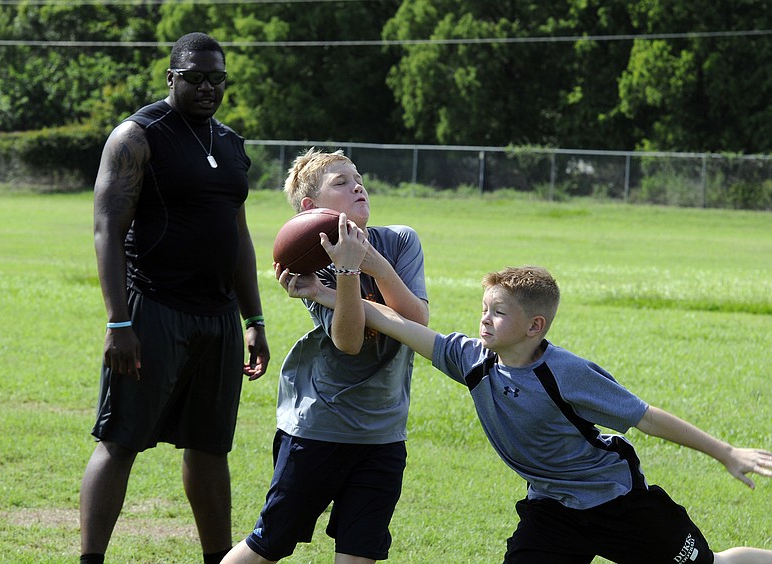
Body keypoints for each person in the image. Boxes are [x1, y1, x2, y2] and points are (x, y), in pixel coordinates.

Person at [280, 257, 772, 563]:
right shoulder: (472, 360)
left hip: (617, 504)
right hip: (552, 511)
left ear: (535, 325)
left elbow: (647, 417)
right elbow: (393, 321)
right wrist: (326, 291)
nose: (483, 319)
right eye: (484, 307)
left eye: (498, 312)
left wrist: (726, 451)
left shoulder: (567, 372)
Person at [80, 32, 270, 564]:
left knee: (211, 446)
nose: (209, 87)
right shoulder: (137, 137)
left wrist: (252, 317)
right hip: (153, 307)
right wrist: (119, 322)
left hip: (216, 317)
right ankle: (90, 558)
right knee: (121, 439)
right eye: (196, 77)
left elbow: (239, 235)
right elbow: (106, 230)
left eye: (218, 78)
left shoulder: (230, 144)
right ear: (172, 77)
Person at [222, 148, 430, 564]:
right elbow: (349, 341)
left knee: (359, 554)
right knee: (268, 545)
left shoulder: (399, 240)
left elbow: (416, 324)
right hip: (320, 427)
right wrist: (344, 277)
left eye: (358, 178)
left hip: (384, 430)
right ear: (310, 208)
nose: (358, 186)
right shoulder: (307, 260)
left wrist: (372, 266)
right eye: (341, 182)